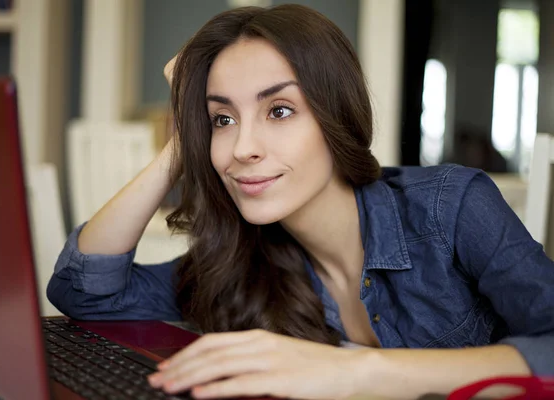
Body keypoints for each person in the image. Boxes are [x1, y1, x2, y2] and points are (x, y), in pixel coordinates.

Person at [47, 4, 554, 399]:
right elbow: (85, 294)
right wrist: (184, 139)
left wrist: (356, 371)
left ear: (337, 117)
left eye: (280, 110)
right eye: (223, 119)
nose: (242, 147)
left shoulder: (452, 208)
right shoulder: (241, 260)